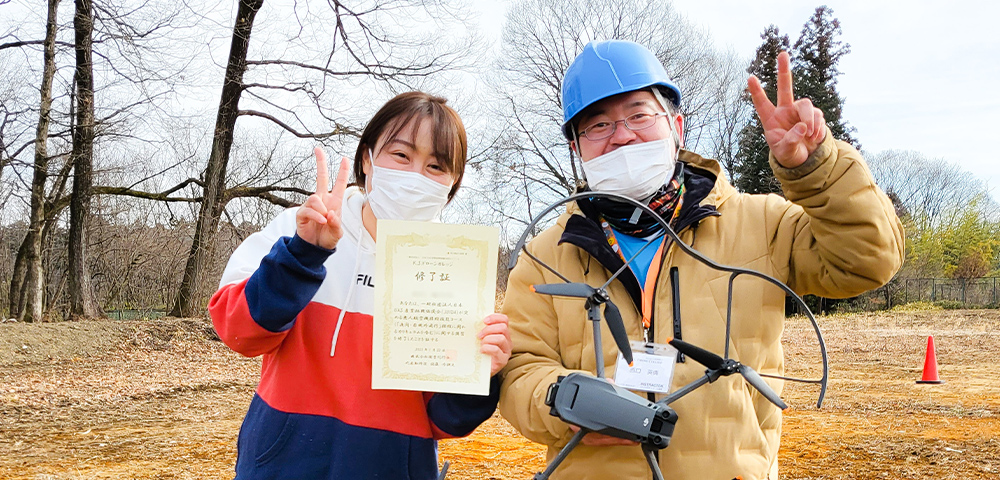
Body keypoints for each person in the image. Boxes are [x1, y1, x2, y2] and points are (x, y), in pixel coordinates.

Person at [498, 40, 903, 480]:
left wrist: (816, 169)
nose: (622, 135)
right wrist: (562, 403)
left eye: (639, 114)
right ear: (577, 148)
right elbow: (521, 369)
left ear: (677, 126)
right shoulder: (546, 255)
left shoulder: (761, 222)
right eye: (597, 125)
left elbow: (867, 260)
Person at [209, 91, 511, 480]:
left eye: (436, 166)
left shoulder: (455, 270)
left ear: (452, 184)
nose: (415, 175)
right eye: (401, 155)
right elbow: (237, 332)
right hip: (279, 465)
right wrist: (303, 256)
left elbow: (446, 423)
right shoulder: (299, 228)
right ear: (367, 158)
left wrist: (481, 376)